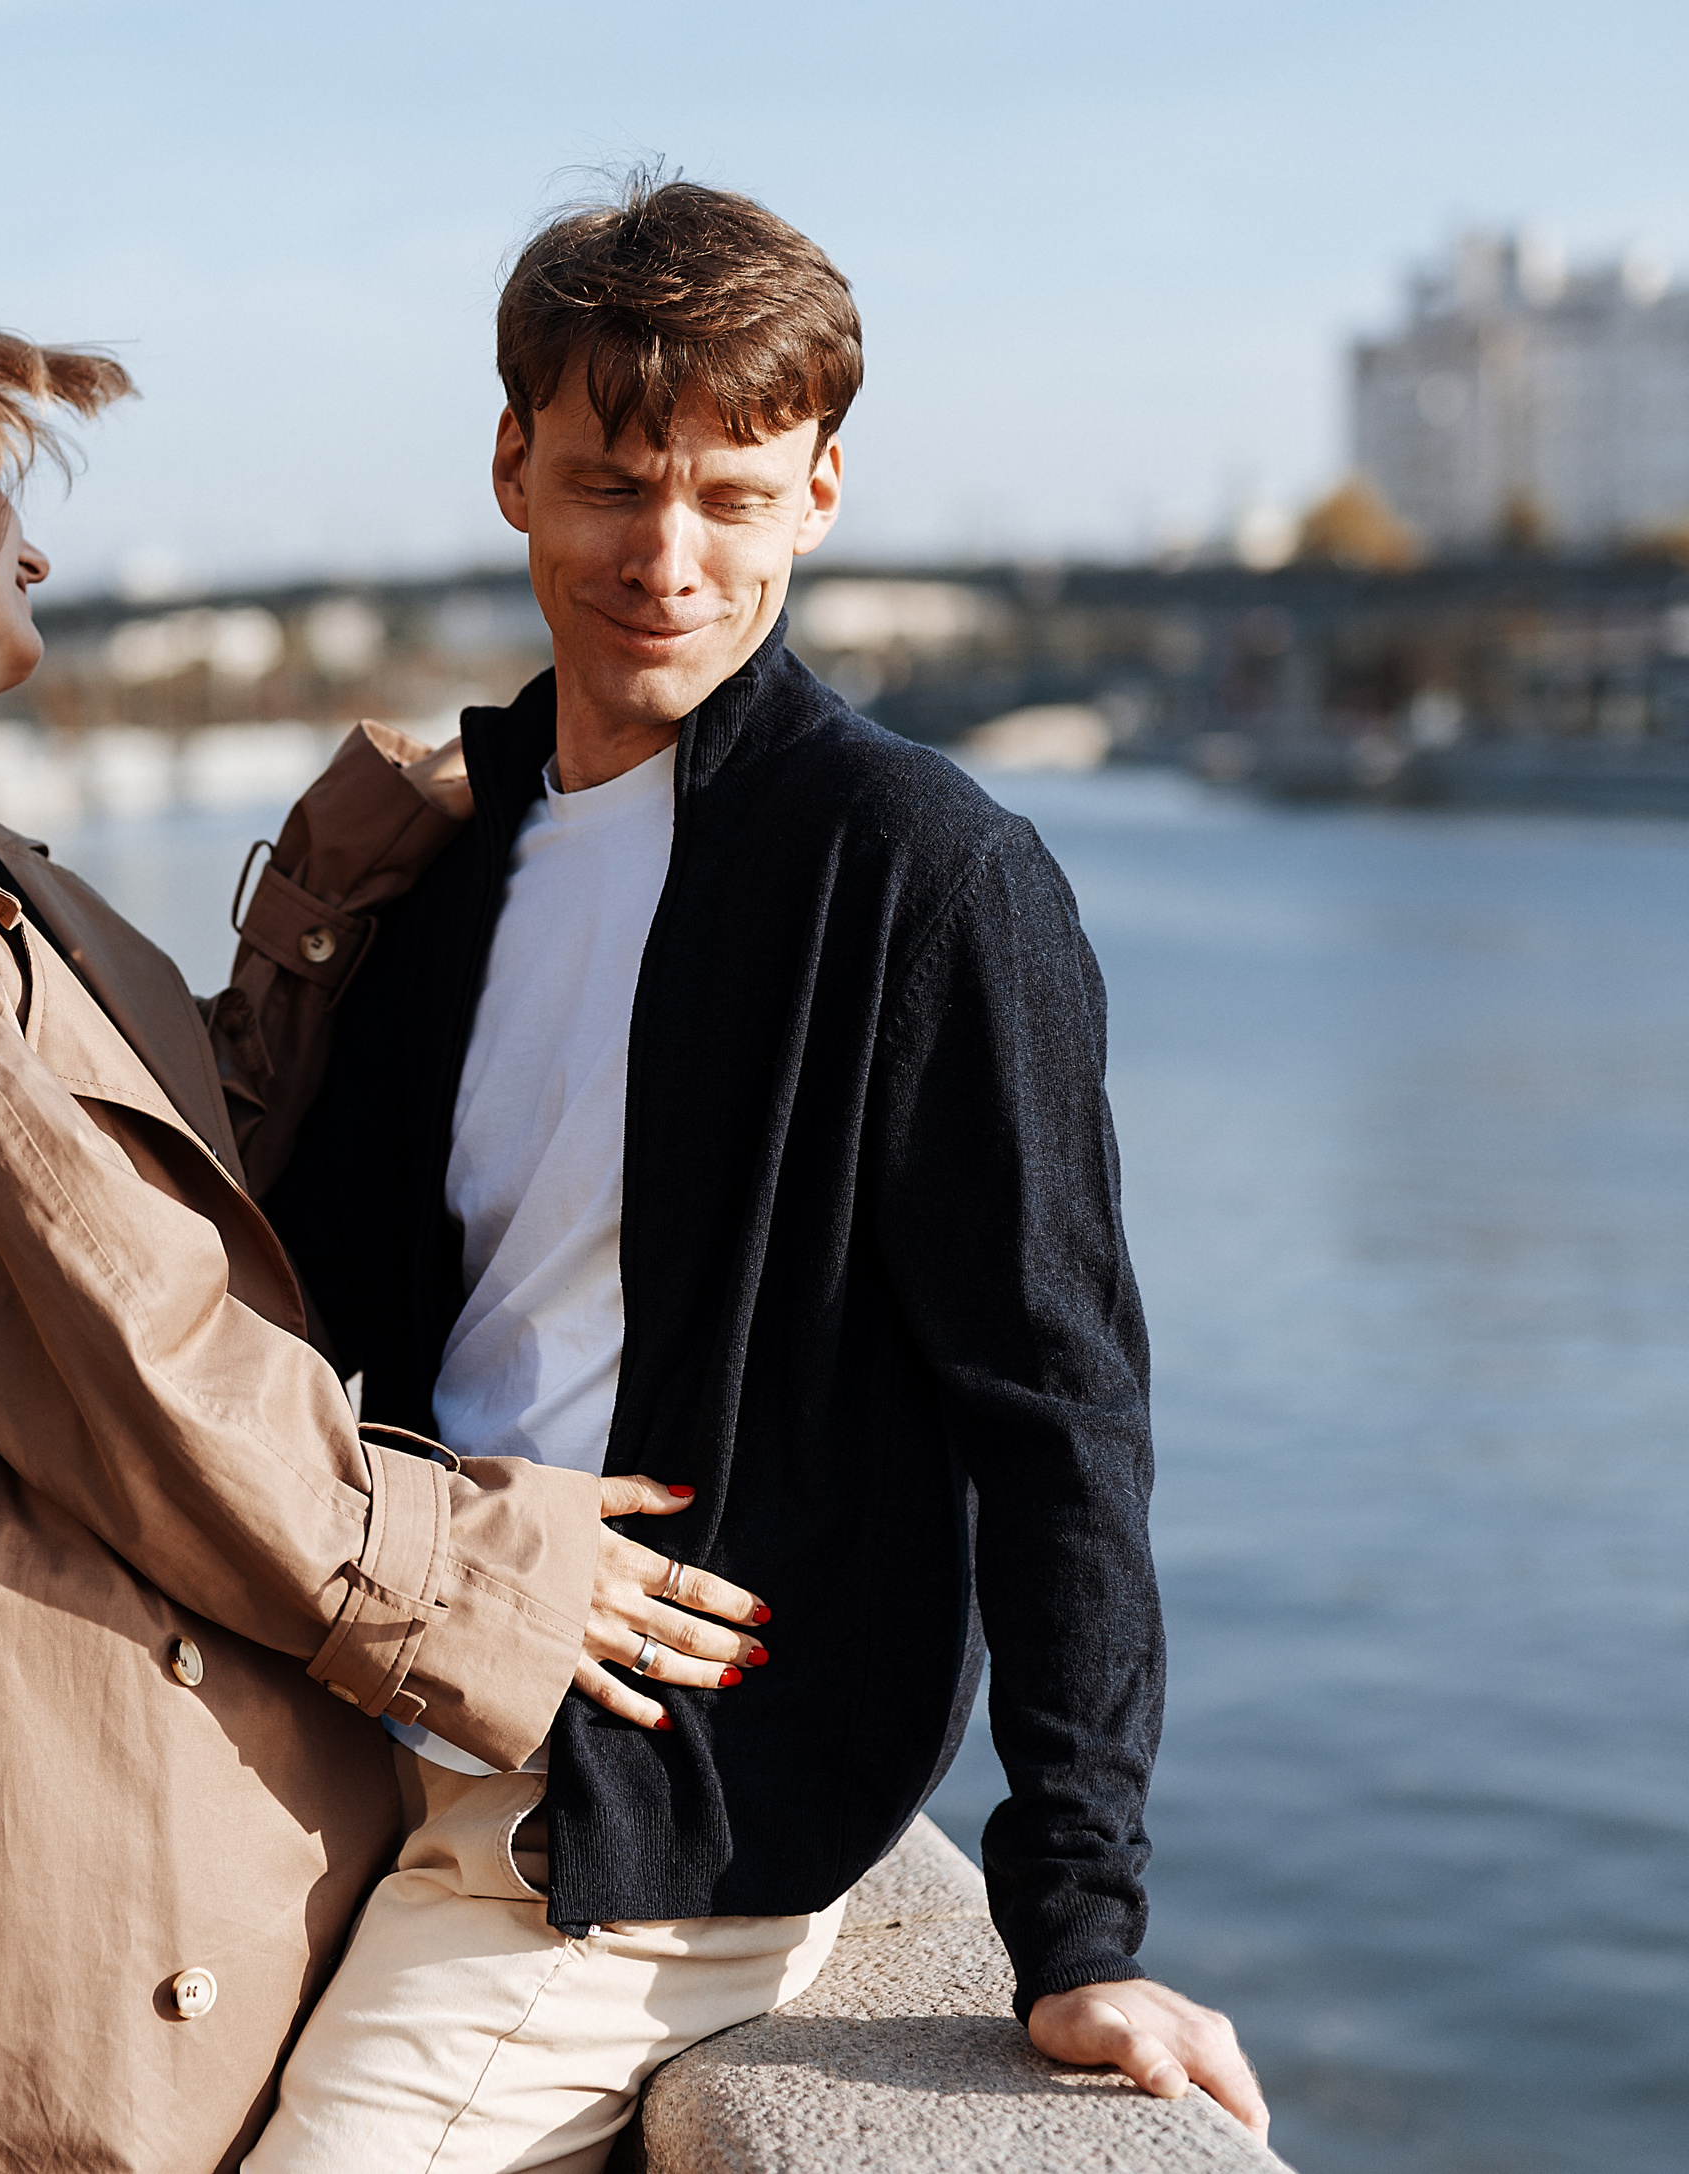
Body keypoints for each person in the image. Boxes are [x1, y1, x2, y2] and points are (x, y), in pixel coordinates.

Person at [0, 306, 765, 2173]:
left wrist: (340, 873)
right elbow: (126, 1337)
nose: (30, 542)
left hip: (156, 1728)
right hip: (86, 1761)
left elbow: (186, 1187)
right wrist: (481, 1571)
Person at [250, 174, 1269, 2169]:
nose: (665, 555)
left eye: (730, 495)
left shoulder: (914, 872)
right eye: (613, 483)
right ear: (510, 472)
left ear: (817, 492)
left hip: (623, 1815)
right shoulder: (458, 858)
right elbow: (345, 1301)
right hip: (373, 1709)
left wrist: (1074, 1922)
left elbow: (1055, 1408)